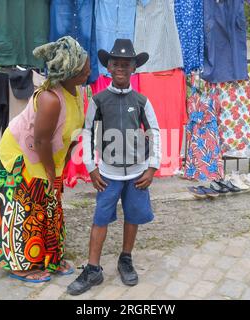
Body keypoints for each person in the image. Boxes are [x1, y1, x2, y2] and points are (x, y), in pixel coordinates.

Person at [0, 36, 91, 282]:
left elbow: (73, 133)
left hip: (47, 156)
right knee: (25, 209)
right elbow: (41, 141)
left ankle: (50, 258)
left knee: (50, 205)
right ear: (69, 72)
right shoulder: (50, 99)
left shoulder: (77, 91)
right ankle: (19, 264)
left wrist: (62, 168)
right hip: (22, 155)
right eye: (84, 69)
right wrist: (50, 173)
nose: (89, 72)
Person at [67, 39, 161, 295]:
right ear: (108, 67)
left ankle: (126, 259)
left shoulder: (141, 101)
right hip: (107, 174)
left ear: (133, 68)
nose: (120, 68)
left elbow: (154, 131)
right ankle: (93, 269)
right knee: (101, 218)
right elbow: (86, 132)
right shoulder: (99, 100)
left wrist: (152, 167)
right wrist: (91, 167)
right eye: (116, 63)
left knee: (133, 216)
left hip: (137, 174)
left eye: (126, 64)